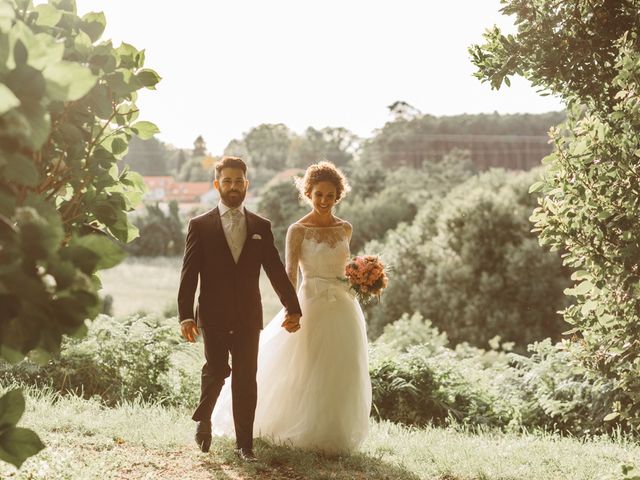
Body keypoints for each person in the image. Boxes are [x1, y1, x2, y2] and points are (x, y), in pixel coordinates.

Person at [212, 161, 372, 455]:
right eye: (319, 194)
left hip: (344, 306)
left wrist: (364, 277)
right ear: (308, 193)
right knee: (308, 367)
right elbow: (289, 274)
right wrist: (291, 309)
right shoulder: (297, 230)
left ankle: (333, 434)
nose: (324, 201)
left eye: (330, 195)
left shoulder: (345, 228)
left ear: (338, 196)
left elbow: (345, 268)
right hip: (310, 302)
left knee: (341, 368)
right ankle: (300, 429)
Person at [177, 156, 302, 461]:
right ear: (217, 184)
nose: (233, 187)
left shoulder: (261, 226)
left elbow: (274, 269)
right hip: (213, 315)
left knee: (246, 379)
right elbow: (189, 273)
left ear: (247, 184)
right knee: (217, 369)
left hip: (248, 316)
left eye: (239, 181)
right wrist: (185, 316)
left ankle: (245, 445)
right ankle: (204, 418)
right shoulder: (199, 225)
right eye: (227, 181)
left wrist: (293, 307)